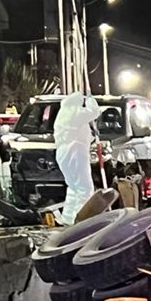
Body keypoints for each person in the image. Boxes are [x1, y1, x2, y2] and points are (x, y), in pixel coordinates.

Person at [52, 92, 98, 221]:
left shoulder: (62, 115)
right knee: (85, 188)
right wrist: (90, 99)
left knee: (73, 187)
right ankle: (83, 219)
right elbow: (94, 112)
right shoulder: (75, 112)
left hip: (62, 152)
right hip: (75, 150)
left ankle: (69, 218)